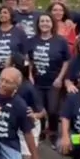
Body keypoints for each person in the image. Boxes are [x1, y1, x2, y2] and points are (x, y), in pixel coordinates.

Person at [29, 13, 70, 145]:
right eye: (42, 21)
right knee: (39, 108)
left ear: (52, 23)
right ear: (38, 24)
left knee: (52, 109)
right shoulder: (32, 41)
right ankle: (41, 131)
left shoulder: (60, 41)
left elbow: (66, 61)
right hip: (37, 81)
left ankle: (53, 132)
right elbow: (28, 60)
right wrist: (30, 76)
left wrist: (60, 78)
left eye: (47, 21)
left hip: (54, 81)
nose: (45, 24)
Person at [0, 6, 27, 76]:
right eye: (0, 13)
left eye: (5, 13)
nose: (2, 15)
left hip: (14, 71)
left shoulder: (19, 32)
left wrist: (27, 72)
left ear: (11, 15)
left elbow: (25, 54)